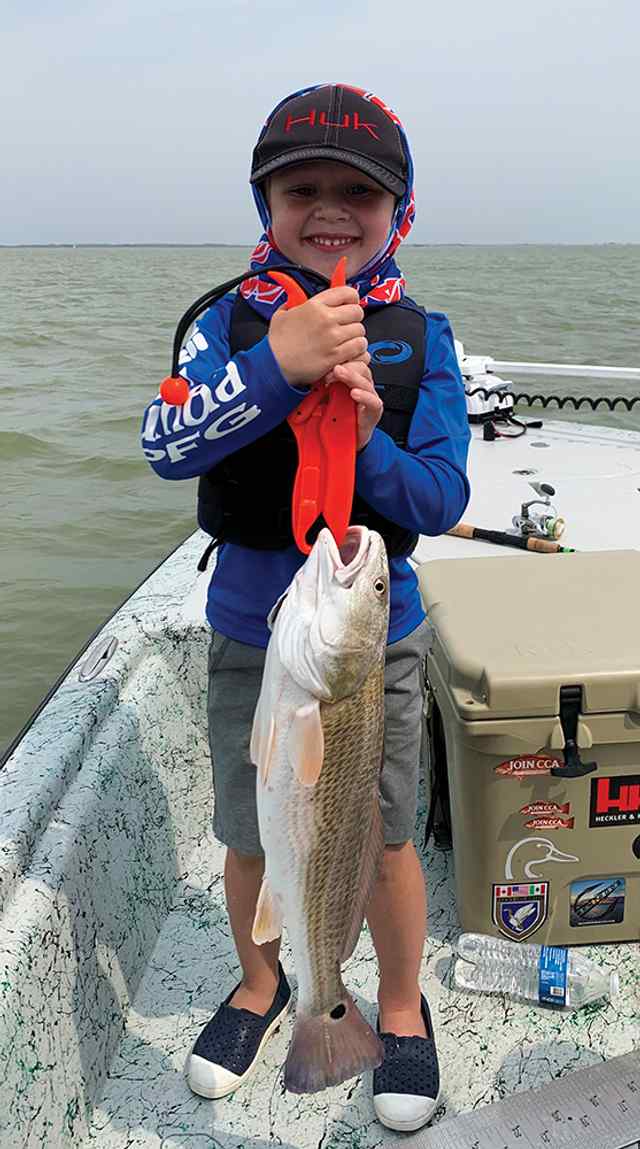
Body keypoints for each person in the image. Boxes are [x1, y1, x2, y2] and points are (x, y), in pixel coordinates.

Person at [141, 83, 470, 1133]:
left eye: (357, 193)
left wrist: (369, 441)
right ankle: (262, 982)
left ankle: (398, 1004)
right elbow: (166, 445)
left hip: (372, 644)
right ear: (266, 204)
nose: (329, 210)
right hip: (253, 632)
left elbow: (440, 498)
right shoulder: (226, 326)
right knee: (253, 835)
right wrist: (276, 366)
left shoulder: (422, 335)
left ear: (397, 212)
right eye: (301, 190)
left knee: (381, 838)